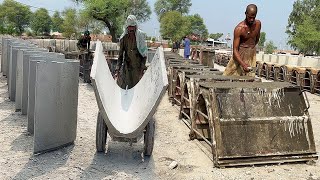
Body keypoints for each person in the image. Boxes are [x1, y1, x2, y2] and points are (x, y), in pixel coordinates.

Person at [223, 4, 261, 76]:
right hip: (239, 56)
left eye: (253, 17)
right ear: (245, 14)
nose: (251, 20)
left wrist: (250, 50)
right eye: (249, 17)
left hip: (252, 55)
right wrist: (243, 64)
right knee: (228, 78)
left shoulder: (258, 24)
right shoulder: (239, 29)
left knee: (250, 80)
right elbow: (235, 50)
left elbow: (257, 39)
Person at [115, 15, 148, 89]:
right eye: (130, 27)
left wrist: (142, 70)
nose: (131, 29)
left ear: (136, 27)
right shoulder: (124, 38)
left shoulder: (141, 37)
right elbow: (120, 56)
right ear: (127, 27)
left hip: (137, 68)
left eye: (133, 27)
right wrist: (117, 69)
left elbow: (144, 55)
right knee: (122, 87)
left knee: (136, 89)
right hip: (127, 67)